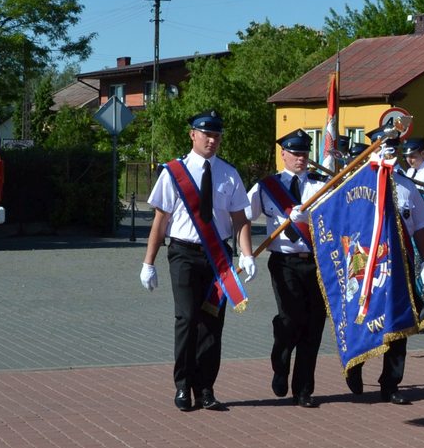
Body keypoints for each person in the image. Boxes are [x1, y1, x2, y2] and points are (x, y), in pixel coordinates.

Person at [140, 111, 255, 412]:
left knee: (212, 323)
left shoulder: (229, 173)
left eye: (217, 135)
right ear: (193, 135)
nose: (212, 140)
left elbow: (240, 219)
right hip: (184, 254)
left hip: (218, 257)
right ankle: (183, 385)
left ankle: (205, 388)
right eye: (206, 134)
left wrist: (247, 253)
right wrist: (148, 262)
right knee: (187, 318)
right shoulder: (173, 172)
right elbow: (160, 220)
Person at [345, 128, 424, 404]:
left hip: (399, 266)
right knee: (364, 318)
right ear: (373, 150)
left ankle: (391, 383)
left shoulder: (406, 186)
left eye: (393, 148)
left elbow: (420, 226)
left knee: (398, 323)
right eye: (384, 147)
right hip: (366, 264)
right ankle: (356, 364)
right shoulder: (357, 183)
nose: (390, 152)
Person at [246, 129, 327, 408]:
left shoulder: (322, 185)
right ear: (283, 154)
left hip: (316, 262)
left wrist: (308, 220)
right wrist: (245, 252)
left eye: (304, 153)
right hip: (284, 262)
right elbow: (243, 216)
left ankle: (303, 389)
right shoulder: (267, 186)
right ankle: (280, 363)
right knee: (291, 319)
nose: (300, 158)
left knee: (313, 325)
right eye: (295, 153)